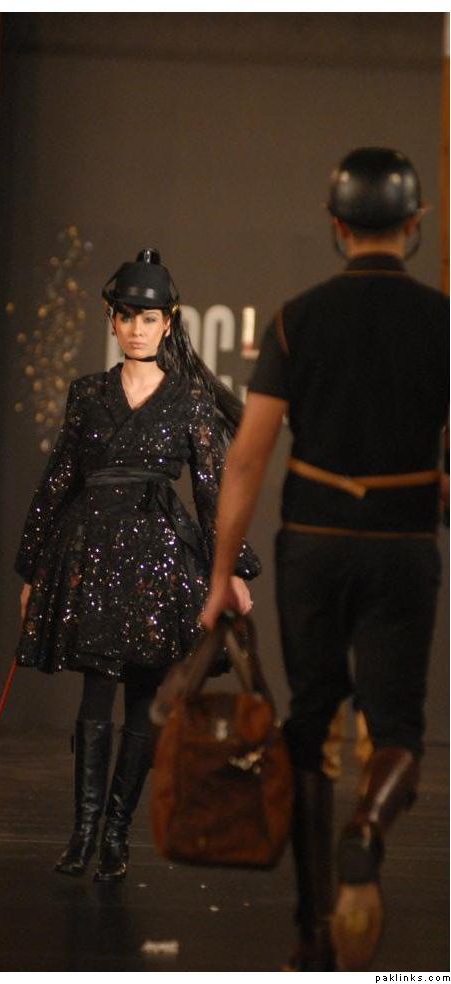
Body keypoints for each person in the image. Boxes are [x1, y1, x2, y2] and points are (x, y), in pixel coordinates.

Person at [201, 148, 449, 970]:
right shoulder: (442, 320)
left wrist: (220, 576)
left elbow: (247, 459)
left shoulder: (294, 319)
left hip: (310, 545)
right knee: (397, 728)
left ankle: (311, 932)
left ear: (336, 225)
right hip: (402, 546)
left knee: (310, 722)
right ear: (413, 224)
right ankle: (366, 826)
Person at [15, 249, 259, 883]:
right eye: (127, 316)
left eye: (148, 318)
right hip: (93, 553)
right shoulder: (88, 394)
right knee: (96, 694)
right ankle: (82, 832)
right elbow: (58, 481)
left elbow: (210, 490)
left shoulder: (189, 400)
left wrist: (232, 569)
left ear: (168, 323)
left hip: (158, 560)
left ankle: (117, 833)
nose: (137, 328)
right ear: (112, 321)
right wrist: (33, 569)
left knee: (146, 698)